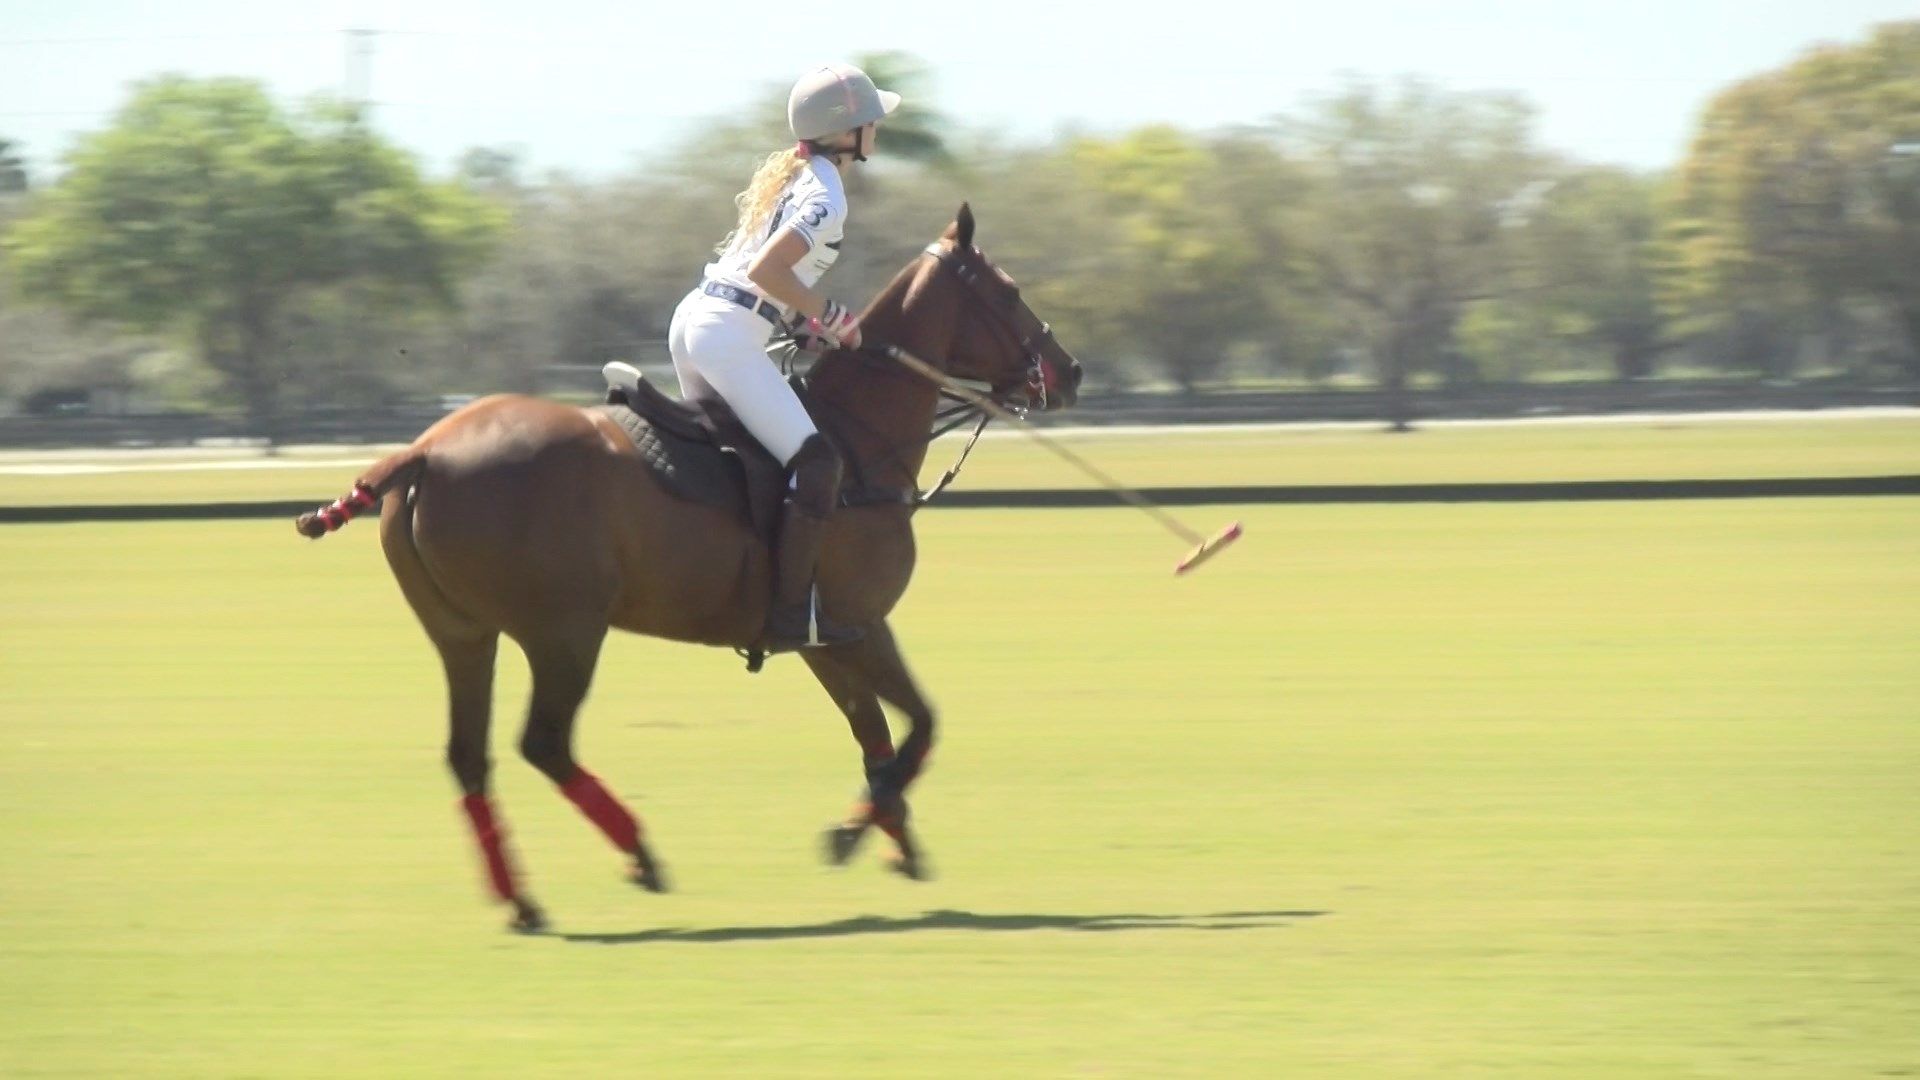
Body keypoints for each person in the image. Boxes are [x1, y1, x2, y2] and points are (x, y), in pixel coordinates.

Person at [667, 62, 899, 653]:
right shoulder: (826, 195)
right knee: (817, 463)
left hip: (697, 318)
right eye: (871, 121)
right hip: (727, 334)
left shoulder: (797, 177)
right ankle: (792, 613)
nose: (877, 129)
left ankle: (736, 575)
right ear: (848, 132)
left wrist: (799, 320)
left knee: (742, 459)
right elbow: (769, 269)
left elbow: (766, 278)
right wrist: (831, 316)